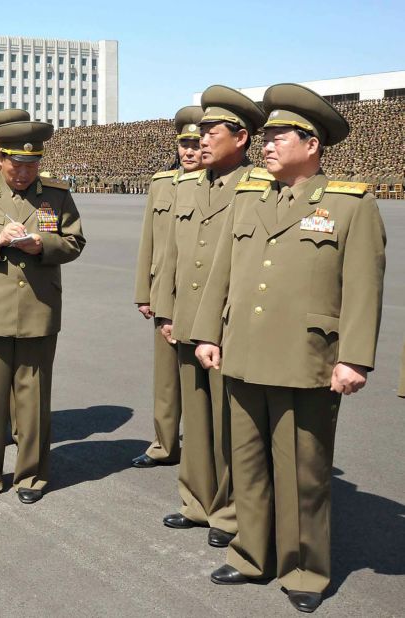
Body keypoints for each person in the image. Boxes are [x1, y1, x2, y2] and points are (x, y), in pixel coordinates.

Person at [191, 83, 385, 613]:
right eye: (268, 135)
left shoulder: (350, 205)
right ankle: (252, 553)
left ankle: (305, 568)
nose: (268, 145)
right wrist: (208, 333)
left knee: (304, 472)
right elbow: (222, 276)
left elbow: (365, 288)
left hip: (308, 361)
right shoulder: (250, 197)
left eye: (279, 136)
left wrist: (355, 357)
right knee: (247, 464)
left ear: (312, 144)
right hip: (244, 354)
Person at [0, 120, 85, 504]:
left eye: (32, 165)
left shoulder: (56, 193)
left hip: (38, 310)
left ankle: (31, 476)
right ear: (0, 156)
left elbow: (75, 240)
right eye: (17, 165)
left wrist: (44, 245)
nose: (24, 173)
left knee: (34, 401)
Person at [153, 86, 265, 548]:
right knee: (196, 419)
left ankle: (231, 511)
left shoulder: (259, 187)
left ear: (239, 138)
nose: (200, 140)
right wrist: (164, 311)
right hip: (184, 317)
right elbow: (172, 253)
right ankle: (196, 501)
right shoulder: (185, 186)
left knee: (229, 423)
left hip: (226, 324)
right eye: (198, 132)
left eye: (210, 131)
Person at [130, 105, 204, 470]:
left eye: (196, 143)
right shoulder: (162, 183)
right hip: (165, 294)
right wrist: (144, 293)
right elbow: (149, 242)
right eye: (184, 144)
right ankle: (163, 443)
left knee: (202, 381)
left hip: (205, 296)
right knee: (165, 378)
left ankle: (202, 448)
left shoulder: (226, 187)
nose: (189, 151)